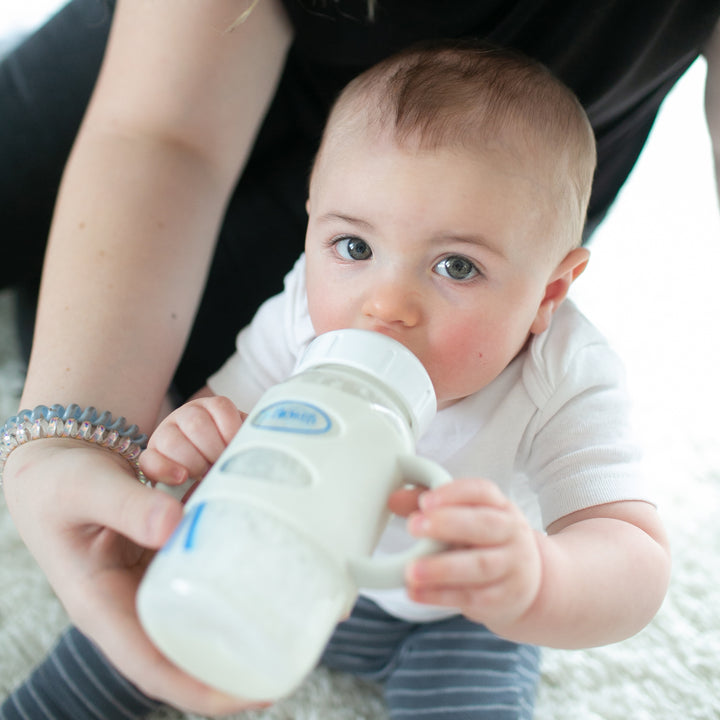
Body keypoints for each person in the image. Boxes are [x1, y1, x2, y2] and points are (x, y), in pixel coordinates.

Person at [0, 0, 713, 713]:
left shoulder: (563, 372)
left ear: (548, 292)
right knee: (118, 628)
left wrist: (537, 581)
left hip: (446, 617)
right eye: (355, 248)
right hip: (273, 553)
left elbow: (634, 557)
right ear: (313, 223)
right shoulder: (306, 316)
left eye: (457, 267)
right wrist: (195, 438)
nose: (385, 303)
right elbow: (227, 418)